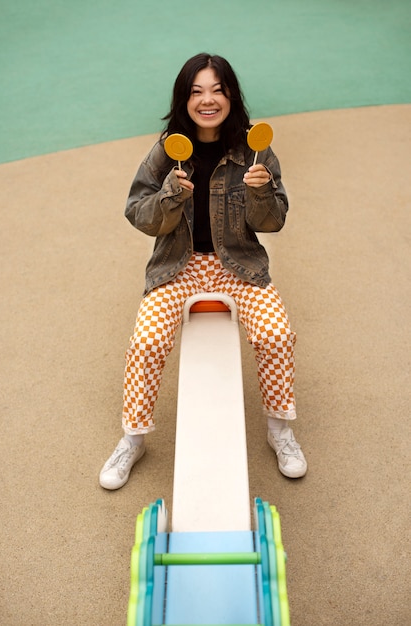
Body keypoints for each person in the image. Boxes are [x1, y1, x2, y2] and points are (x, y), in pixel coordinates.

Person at [99, 53, 307, 490]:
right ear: (184, 99)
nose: (207, 100)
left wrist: (263, 192)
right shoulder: (166, 150)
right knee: (146, 341)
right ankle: (133, 438)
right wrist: (170, 196)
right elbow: (138, 214)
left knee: (275, 333)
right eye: (196, 92)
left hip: (240, 265)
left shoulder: (255, 147)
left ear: (231, 95)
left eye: (217, 90)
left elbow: (273, 222)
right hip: (178, 265)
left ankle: (279, 431)